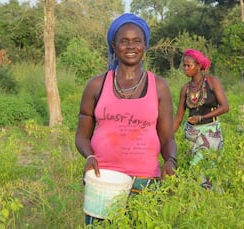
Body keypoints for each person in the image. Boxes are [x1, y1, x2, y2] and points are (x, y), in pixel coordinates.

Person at [75, 13, 177, 225]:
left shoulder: (159, 86)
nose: (131, 46)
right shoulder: (96, 85)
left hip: (145, 183)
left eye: (137, 41)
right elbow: (82, 135)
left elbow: (167, 137)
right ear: (114, 45)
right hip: (104, 180)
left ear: (145, 45)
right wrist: (88, 157)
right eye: (124, 41)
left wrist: (170, 161)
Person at [173, 49, 229, 188]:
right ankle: (196, 200)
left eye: (189, 66)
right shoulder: (185, 89)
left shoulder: (212, 82)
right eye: (184, 66)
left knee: (210, 168)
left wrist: (202, 117)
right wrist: (167, 137)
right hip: (191, 134)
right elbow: (179, 117)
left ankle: (212, 201)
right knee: (193, 168)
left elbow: (225, 107)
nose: (185, 69)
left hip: (210, 133)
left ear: (198, 66)